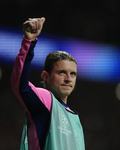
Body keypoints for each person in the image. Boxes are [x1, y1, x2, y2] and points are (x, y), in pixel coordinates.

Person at [11, 17, 85, 150]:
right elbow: (21, 85)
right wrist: (28, 41)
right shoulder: (47, 101)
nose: (68, 78)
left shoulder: (76, 120)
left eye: (72, 74)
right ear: (46, 76)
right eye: (62, 72)